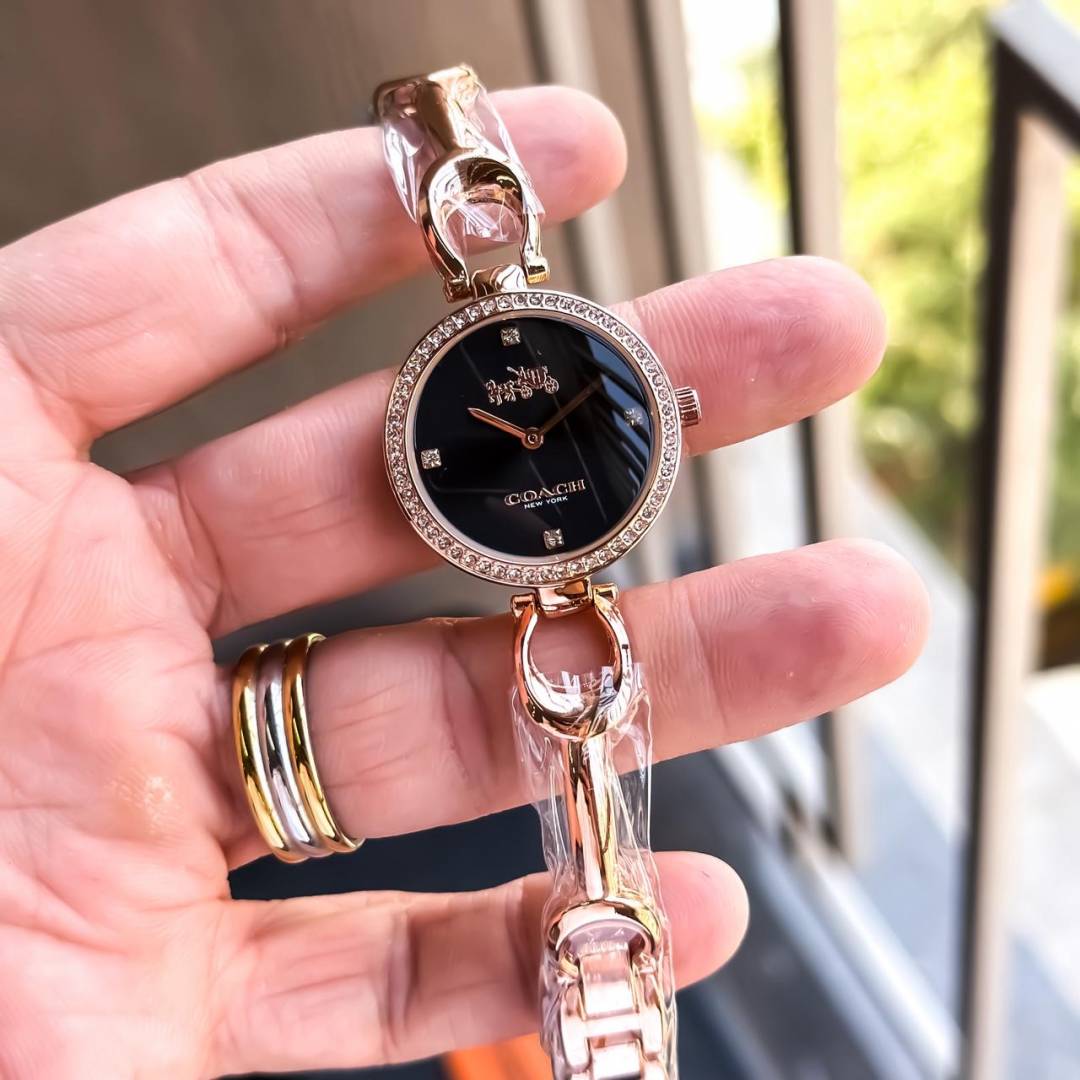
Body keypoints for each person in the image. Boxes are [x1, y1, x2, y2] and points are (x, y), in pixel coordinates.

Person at [0, 84, 928, 1077]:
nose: (534, 439)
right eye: (513, 429)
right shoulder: (487, 425)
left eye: (552, 426)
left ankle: (611, 995)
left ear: (670, 411)